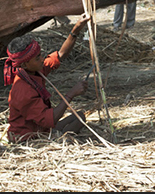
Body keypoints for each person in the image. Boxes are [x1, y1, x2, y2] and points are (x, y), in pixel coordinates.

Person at [5, 13, 91, 143]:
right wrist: (71, 94)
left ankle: (57, 138)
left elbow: (60, 55)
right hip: (27, 139)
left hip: (41, 130)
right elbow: (49, 120)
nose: (42, 59)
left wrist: (76, 29)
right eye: (38, 57)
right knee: (70, 129)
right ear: (24, 64)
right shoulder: (23, 89)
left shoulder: (34, 70)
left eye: (40, 55)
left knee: (79, 117)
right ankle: (57, 141)